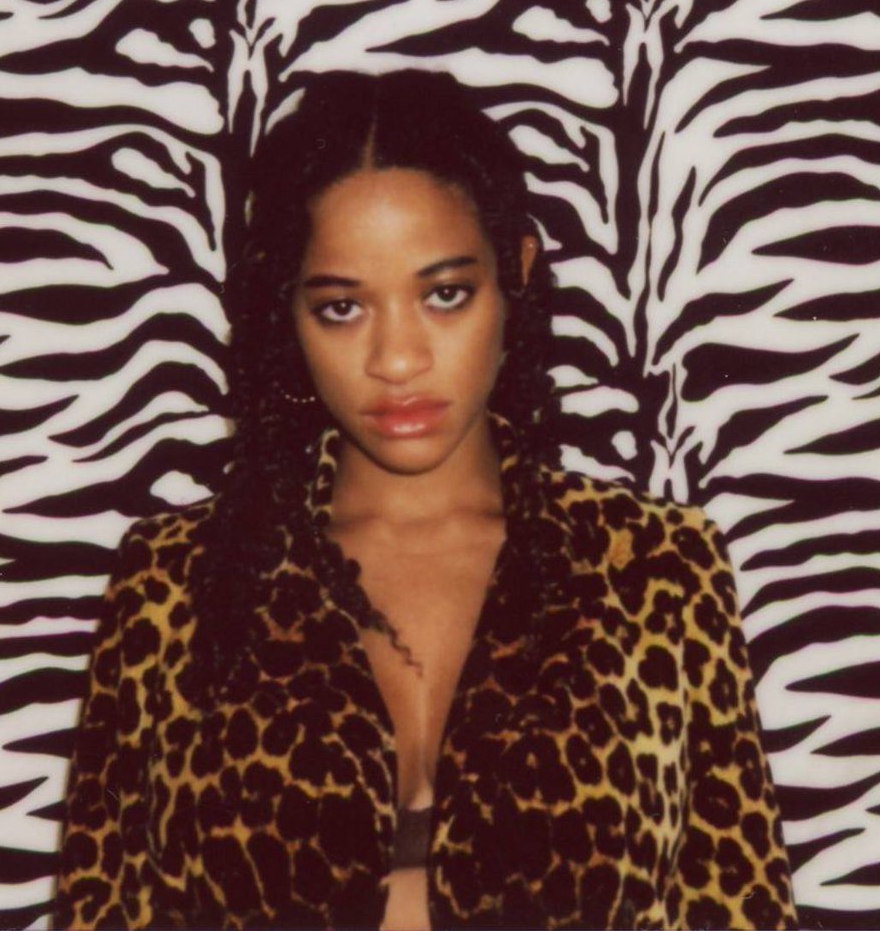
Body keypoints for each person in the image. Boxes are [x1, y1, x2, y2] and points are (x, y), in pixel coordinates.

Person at [54, 69, 797, 930]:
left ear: (516, 272)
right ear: (287, 312)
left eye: (445, 294)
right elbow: (101, 908)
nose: (397, 358)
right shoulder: (174, 584)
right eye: (342, 307)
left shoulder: (656, 570)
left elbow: (742, 905)